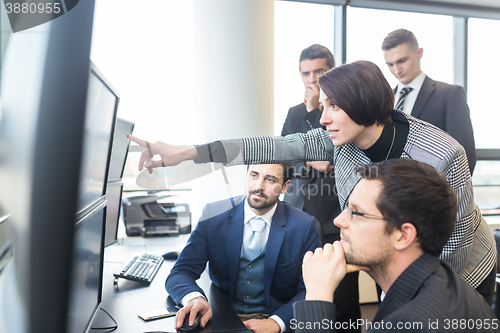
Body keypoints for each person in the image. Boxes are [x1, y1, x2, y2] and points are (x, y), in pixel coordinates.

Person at [128, 60, 496, 306]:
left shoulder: (441, 154)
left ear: (363, 103)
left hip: (463, 269)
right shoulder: (341, 140)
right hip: (399, 268)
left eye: (333, 106)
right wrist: (189, 151)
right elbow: (274, 145)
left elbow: (452, 245)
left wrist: (396, 299)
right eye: (323, 106)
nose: (322, 118)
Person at [293, 159, 498, 332]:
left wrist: (317, 295)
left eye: (355, 212)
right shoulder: (441, 276)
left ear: (403, 236)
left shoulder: (410, 323)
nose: (338, 220)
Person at [165, 163, 321, 333]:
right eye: (254, 175)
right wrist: (195, 298)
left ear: (285, 186)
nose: (258, 186)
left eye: (270, 179)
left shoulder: (304, 226)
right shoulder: (213, 214)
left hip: (274, 319)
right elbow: (181, 271)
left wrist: (277, 322)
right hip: (220, 318)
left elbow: (313, 290)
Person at [280, 44, 359, 331]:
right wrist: (307, 161)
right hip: (297, 214)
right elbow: (284, 158)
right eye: (306, 73)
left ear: (332, 72)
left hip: (331, 217)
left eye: (319, 72)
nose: (312, 80)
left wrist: (315, 110)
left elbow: (329, 159)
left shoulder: (344, 111)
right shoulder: (292, 113)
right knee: (304, 290)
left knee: (342, 296)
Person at [382, 28, 476, 175]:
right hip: (388, 190)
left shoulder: (449, 95)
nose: (397, 70)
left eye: (402, 61)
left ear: (419, 53)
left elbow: (465, 155)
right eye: (390, 64)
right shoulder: (384, 100)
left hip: (434, 191)